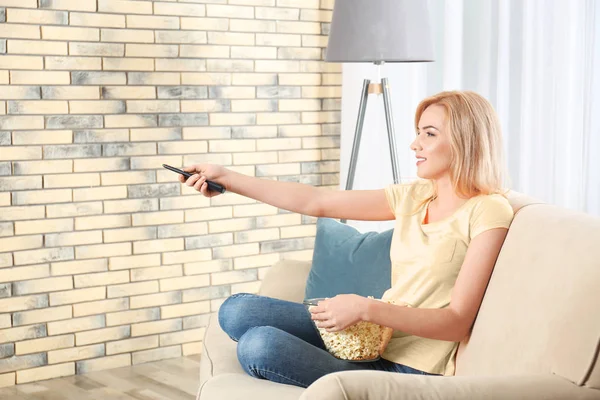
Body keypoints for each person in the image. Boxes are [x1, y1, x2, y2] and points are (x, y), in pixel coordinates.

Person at [178, 90, 514, 388]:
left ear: (465, 140)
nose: (415, 144)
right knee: (237, 310)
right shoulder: (415, 196)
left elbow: (456, 324)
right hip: (371, 339)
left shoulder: (488, 210)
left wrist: (367, 308)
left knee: (259, 345)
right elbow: (317, 202)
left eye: (429, 134)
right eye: (417, 133)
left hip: (407, 369)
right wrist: (228, 178)